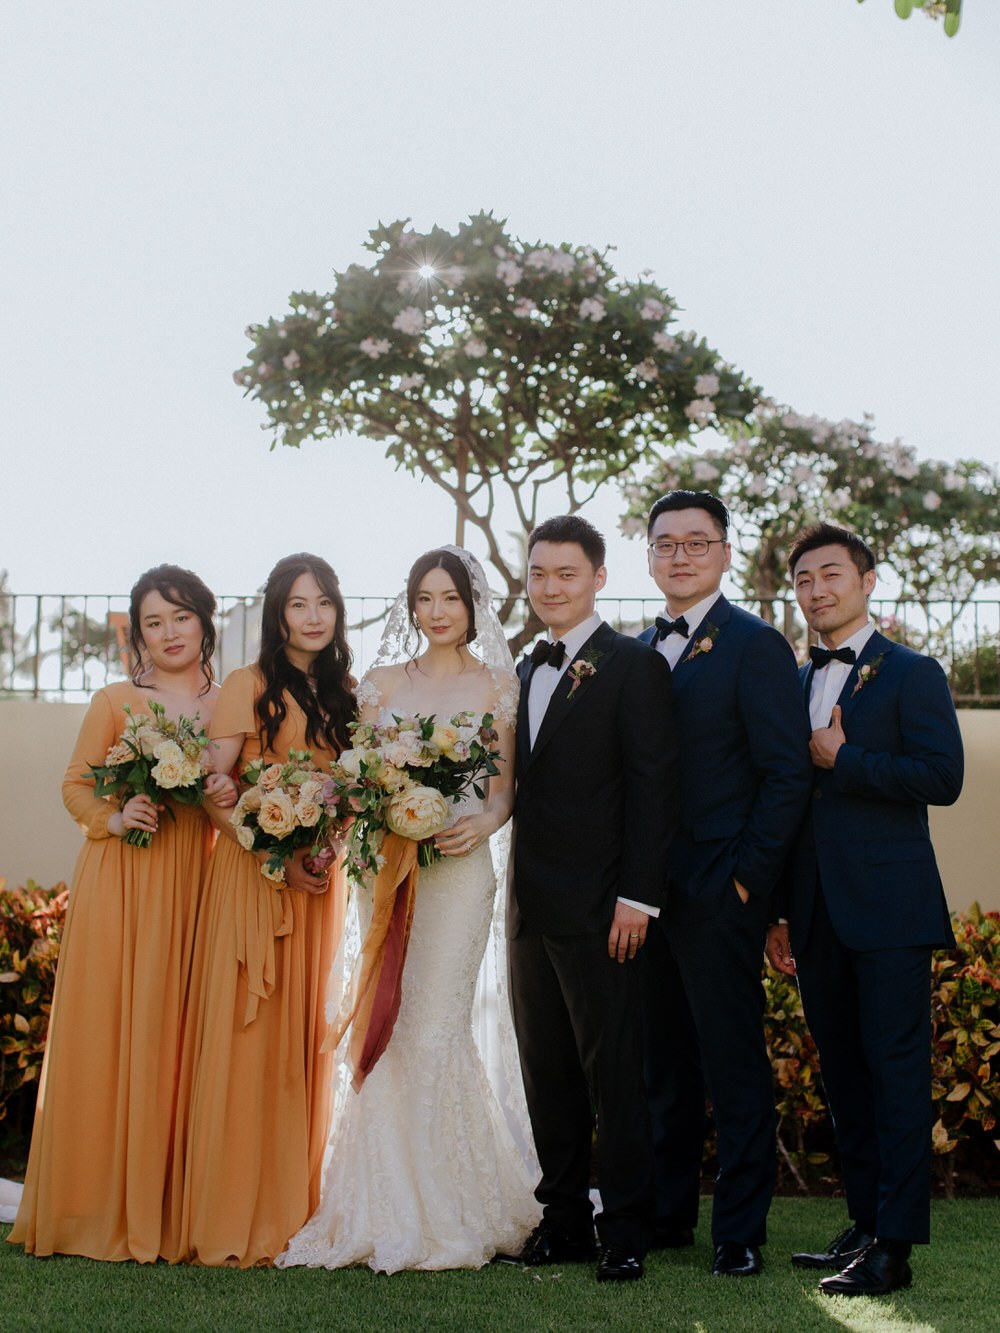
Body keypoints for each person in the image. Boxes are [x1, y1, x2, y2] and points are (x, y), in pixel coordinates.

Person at [277, 546, 539, 1273]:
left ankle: (451, 1203)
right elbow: (360, 778)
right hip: (387, 866)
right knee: (386, 1022)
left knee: (433, 1025)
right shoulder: (382, 684)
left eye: (450, 597)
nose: (436, 611)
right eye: (424, 597)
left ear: (472, 604)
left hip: (459, 866)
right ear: (410, 605)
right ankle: (380, 1200)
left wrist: (483, 824)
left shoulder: (496, 684)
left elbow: (503, 789)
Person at [9, 565, 235, 1262]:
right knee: (113, 1028)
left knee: (183, 1033)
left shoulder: (234, 705)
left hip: (201, 880)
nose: (169, 633)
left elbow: (240, 792)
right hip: (124, 878)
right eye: (153, 623)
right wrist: (114, 814)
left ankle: (176, 1204)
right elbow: (75, 785)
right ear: (138, 634)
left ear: (205, 620)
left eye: (181, 617)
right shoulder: (114, 699)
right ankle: (98, 1204)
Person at [767, 523, 963, 1297]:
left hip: (889, 907)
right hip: (814, 911)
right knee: (845, 1077)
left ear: (868, 579)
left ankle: (895, 1249)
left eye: (830, 574)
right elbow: (786, 800)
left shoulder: (913, 671)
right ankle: (863, 1221)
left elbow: (941, 775)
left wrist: (845, 758)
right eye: (804, 580)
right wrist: (780, 909)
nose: (817, 590)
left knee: (896, 1077)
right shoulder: (792, 675)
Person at [636, 491, 811, 1278]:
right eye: (666, 543)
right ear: (648, 556)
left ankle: (739, 1228)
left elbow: (784, 775)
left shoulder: (755, 643)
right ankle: (670, 1214)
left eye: (696, 543)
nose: (680, 555)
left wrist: (748, 884)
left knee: (732, 1065)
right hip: (643, 896)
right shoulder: (637, 648)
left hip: (719, 893)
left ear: (724, 553)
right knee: (662, 1065)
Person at [169, 553, 354, 1267]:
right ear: (278, 613)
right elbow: (217, 789)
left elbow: (350, 789)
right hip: (254, 878)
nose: (312, 615)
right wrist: (275, 856)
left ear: (336, 612)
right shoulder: (247, 684)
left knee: (301, 1043)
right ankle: (231, 1212)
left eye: (324, 603)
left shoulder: (343, 690)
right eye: (297, 603)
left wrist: (327, 850)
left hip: (318, 884)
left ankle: (293, 1209)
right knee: (248, 1041)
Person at [507, 515, 677, 1284]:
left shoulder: (633, 665)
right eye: (539, 572)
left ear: (599, 577)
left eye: (566, 573)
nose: (551, 586)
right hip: (528, 906)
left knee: (616, 1074)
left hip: (607, 907)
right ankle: (565, 1216)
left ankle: (629, 1226)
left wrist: (638, 897)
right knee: (548, 1071)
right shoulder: (521, 666)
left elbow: (653, 789)